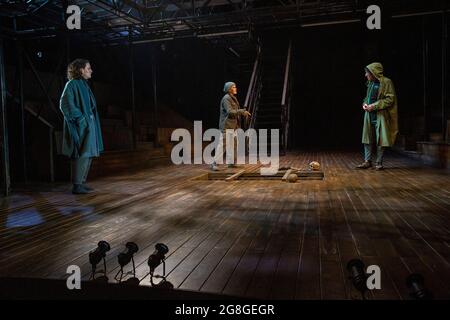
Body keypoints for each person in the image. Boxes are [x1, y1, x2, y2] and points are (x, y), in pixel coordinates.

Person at [59, 59, 104, 194]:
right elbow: (64, 104)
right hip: (81, 125)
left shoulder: (84, 84)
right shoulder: (71, 84)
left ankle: (81, 183)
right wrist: (81, 119)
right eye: (88, 68)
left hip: (89, 124)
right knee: (82, 153)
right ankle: (77, 184)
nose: (91, 70)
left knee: (88, 153)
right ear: (80, 70)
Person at [356, 62, 398, 170]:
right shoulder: (370, 84)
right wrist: (365, 104)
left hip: (380, 115)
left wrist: (374, 106)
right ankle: (367, 161)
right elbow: (367, 98)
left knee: (381, 138)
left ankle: (379, 162)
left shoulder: (386, 82)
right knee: (367, 137)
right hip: (369, 114)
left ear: (374, 72)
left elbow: (390, 99)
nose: (366, 75)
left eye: (367, 73)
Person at [210, 82, 251, 171]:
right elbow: (230, 111)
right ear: (229, 89)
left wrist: (242, 113)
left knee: (233, 144)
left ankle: (231, 163)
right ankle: (214, 163)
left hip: (234, 126)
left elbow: (235, 111)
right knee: (223, 144)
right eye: (233, 87)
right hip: (227, 126)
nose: (235, 88)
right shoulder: (226, 99)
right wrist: (241, 111)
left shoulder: (233, 98)